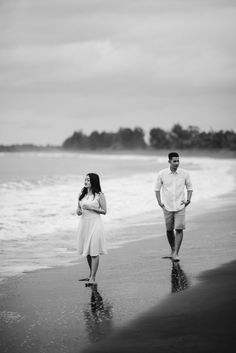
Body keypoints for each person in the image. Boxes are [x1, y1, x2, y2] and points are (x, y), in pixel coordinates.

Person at [154, 152, 193, 261]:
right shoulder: (162, 173)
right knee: (169, 230)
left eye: (178, 161)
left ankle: (176, 253)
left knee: (179, 229)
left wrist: (188, 200)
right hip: (167, 206)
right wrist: (159, 202)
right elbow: (157, 189)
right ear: (169, 162)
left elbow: (190, 187)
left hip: (180, 206)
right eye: (174, 161)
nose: (177, 163)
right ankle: (172, 249)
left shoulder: (185, 173)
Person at [77, 173, 107, 285]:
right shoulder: (82, 194)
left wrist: (91, 207)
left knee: (94, 251)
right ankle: (90, 274)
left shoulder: (99, 195)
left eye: (88, 180)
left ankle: (93, 278)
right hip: (84, 224)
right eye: (85, 179)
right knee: (88, 252)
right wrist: (79, 211)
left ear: (93, 181)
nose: (85, 182)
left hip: (95, 224)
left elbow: (104, 211)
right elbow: (77, 210)